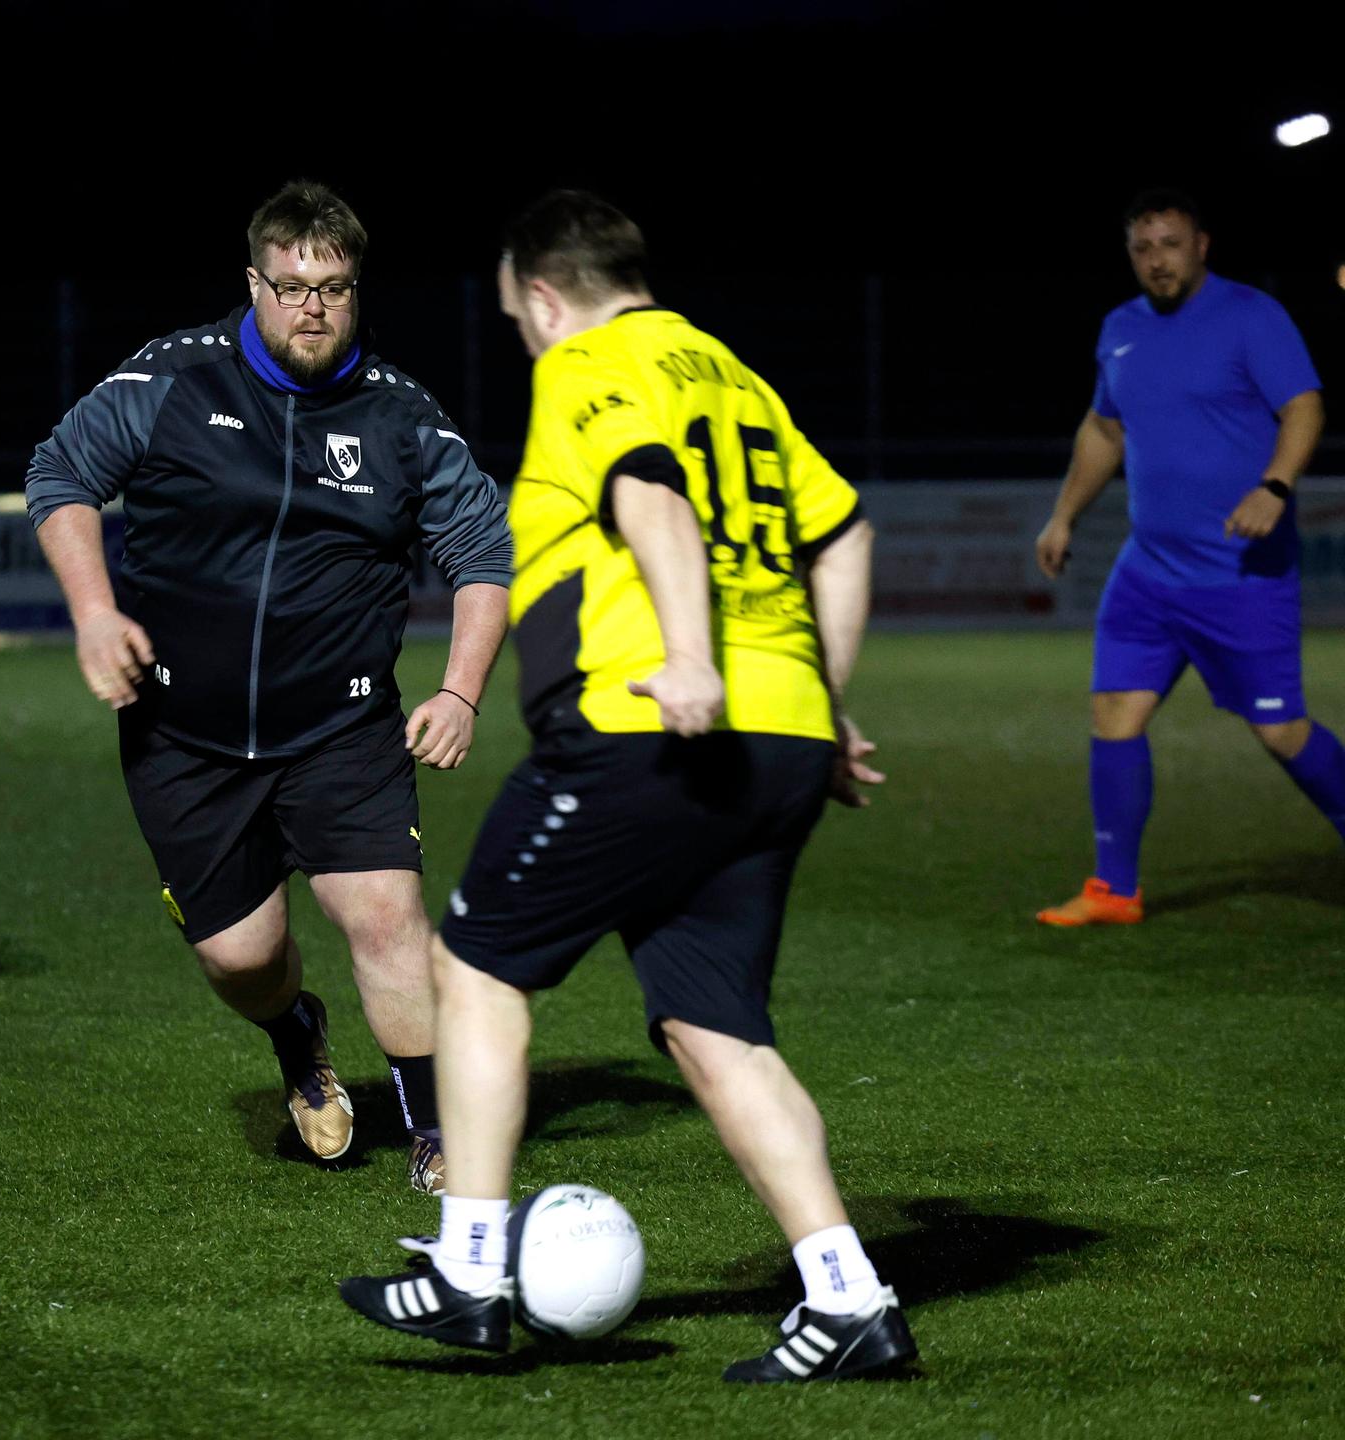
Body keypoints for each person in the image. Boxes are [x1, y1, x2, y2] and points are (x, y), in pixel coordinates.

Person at [339, 190, 917, 1382]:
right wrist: (821, 697)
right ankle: (850, 1299)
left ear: (544, 295)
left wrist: (693, 657)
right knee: (717, 1029)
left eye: (517, 317)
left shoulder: (592, 359)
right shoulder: (733, 373)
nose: (524, 337)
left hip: (642, 730)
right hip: (779, 741)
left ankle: (469, 1270)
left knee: (479, 966)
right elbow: (846, 530)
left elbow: (645, 484)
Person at [24, 180, 512, 1193]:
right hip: (182, 734)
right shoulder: (173, 380)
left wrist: (461, 690)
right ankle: (298, 1035)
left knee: (385, 915)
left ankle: (436, 1134)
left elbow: (482, 554)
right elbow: (61, 476)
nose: (312, 308)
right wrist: (93, 610)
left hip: (341, 727)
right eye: (290, 287)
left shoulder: (402, 417)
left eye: (333, 288)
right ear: (254, 283)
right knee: (242, 961)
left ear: (355, 289)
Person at [1034, 190, 1334, 926]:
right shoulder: (1120, 329)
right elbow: (1105, 431)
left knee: (1279, 730)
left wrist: (1274, 485)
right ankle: (1114, 890)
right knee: (1114, 712)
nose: (1157, 261)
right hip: (1148, 570)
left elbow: (1304, 407)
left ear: (1202, 245)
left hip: (1238, 571)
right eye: (1143, 249)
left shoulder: (1250, 316)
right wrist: (1065, 514)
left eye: (1170, 244)